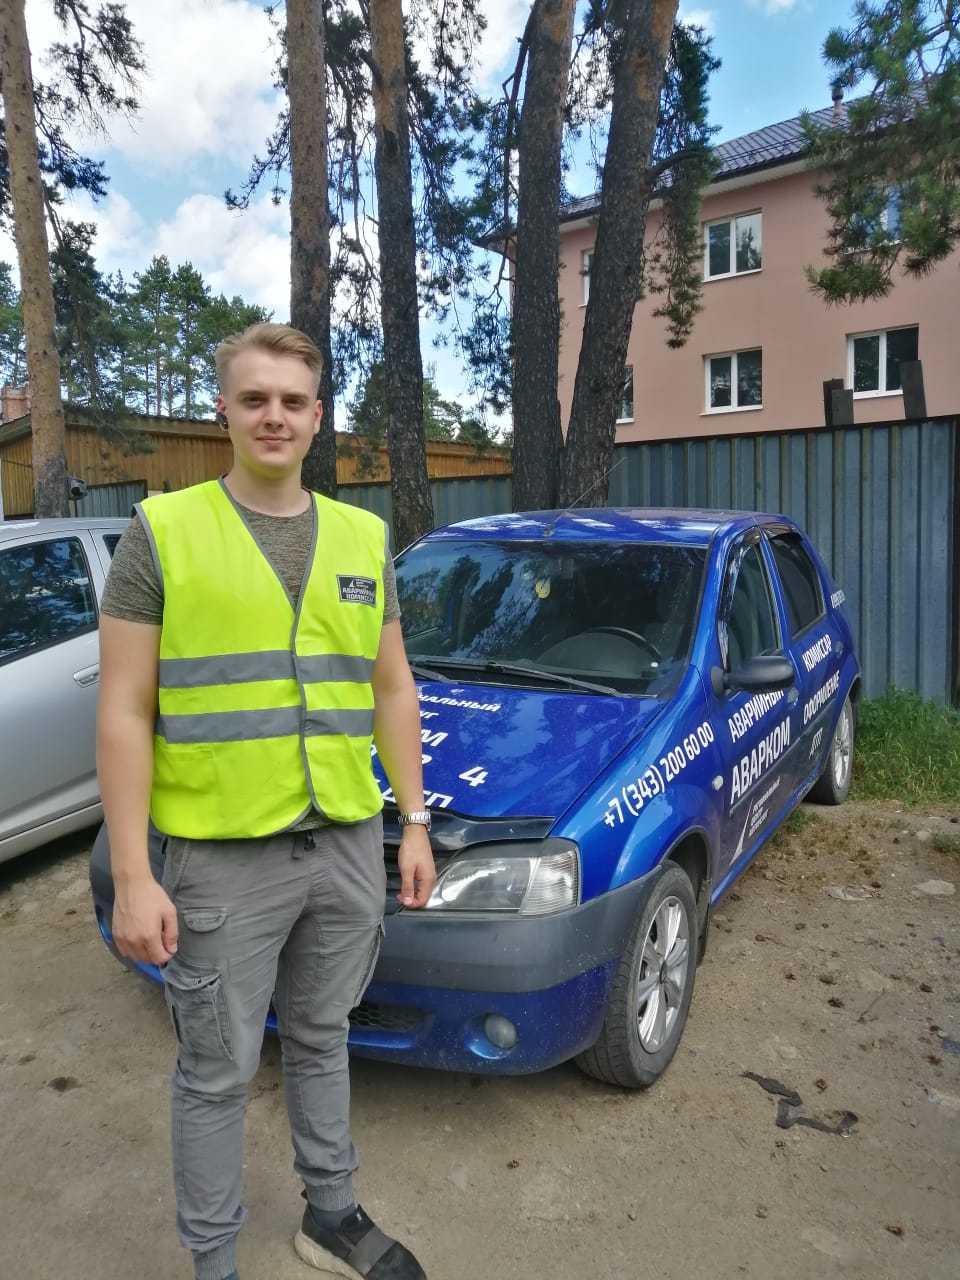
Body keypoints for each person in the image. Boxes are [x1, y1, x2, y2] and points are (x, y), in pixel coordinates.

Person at [96, 322, 436, 1280]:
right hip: (217, 859)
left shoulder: (365, 537)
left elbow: (391, 687)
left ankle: (331, 1217)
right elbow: (123, 710)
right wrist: (132, 875)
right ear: (225, 412)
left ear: (317, 417)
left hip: (343, 840)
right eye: (255, 399)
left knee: (324, 1036)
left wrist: (411, 822)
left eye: (292, 401)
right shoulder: (163, 532)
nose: (274, 416)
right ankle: (214, 1264)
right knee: (215, 1072)